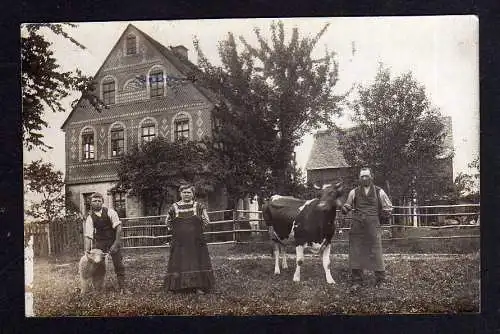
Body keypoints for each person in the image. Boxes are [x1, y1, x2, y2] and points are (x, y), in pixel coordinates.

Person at [341, 167, 393, 289]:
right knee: (356, 251)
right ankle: (356, 281)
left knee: (376, 251)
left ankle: (381, 281)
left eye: (366, 176)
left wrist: (383, 215)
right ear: (359, 178)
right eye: (362, 176)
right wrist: (343, 208)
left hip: (373, 226)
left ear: (371, 177)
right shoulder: (353, 192)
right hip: (357, 226)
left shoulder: (379, 191)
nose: (364, 178)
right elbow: (347, 205)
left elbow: (388, 207)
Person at [164, 184, 215, 294]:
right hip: (180, 242)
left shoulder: (199, 206)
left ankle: (199, 287)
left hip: (195, 241)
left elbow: (206, 220)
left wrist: (196, 231)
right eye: (184, 192)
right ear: (180, 193)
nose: (186, 194)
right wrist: (177, 232)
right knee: (178, 261)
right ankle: (175, 287)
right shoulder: (174, 207)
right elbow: (167, 222)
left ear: (193, 194)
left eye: (189, 192)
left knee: (197, 261)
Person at [83, 192, 126, 292]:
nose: (97, 203)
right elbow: (88, 236)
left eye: (99, 201)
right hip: (100, 242)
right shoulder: (90, 218)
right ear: (91, 203)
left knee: (118, 264)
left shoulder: (111, 212)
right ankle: (98, 288)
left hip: (112, 240)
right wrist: (87, 251)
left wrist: (116, 244)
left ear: (102, 202)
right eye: (94, 201)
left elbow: (119, 228)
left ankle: (122, 287)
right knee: (97, 264)